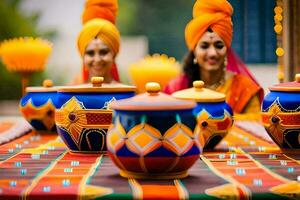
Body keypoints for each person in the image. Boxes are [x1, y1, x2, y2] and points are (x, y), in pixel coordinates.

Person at [164, 0, 264, 116]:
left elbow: (254, 129)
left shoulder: (244, 89)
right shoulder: (176, 88)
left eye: (219, 46)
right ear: (194, 52)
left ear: (227, 50)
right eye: (204, 46)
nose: (212, 53)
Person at [74, 0, 120, 84]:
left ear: (114, 54)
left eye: (104, 52)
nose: (97, 59)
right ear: (83, 56)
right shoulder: (70, 94)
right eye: (90, 53)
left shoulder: (127, 94)